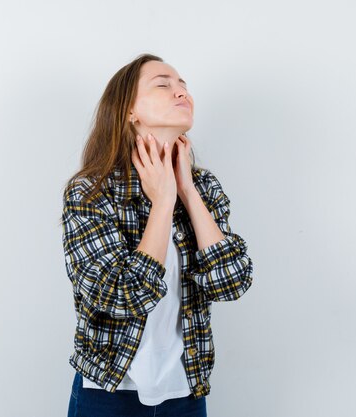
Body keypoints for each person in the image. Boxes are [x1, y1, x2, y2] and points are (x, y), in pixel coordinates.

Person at [60, 53, 254, 417]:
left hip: (185, 392)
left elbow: (231, 283)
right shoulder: (90, 192)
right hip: (108, 391)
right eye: (164, 84)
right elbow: (123, 296)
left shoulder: (203, 186)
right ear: (129, 111)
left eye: (184, 85)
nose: (181, 92)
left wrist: (187, 193)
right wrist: (163, 202)